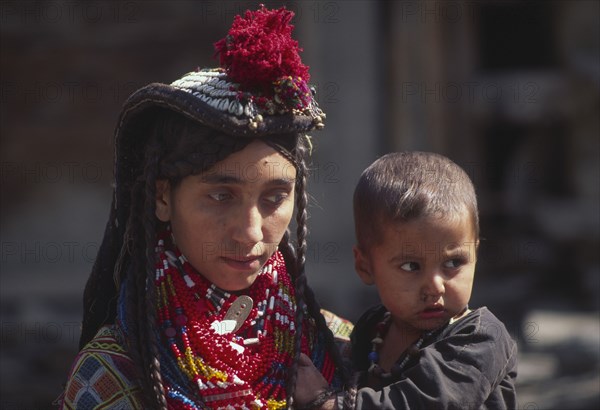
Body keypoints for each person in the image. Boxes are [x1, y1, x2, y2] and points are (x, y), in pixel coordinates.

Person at [59, 6, 352, 410]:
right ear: (163, 198)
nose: (250, 232)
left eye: (275, 197)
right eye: (220, 196)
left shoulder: (340, 344)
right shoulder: (113, 374)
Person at [297, 151, 518, 409]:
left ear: (475, 255)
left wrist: (326, 403)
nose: (435, 286)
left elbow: (423, 403)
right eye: (411, 266)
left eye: (453, 263)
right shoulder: (374, 327)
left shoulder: (480, 338)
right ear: (365, 266)